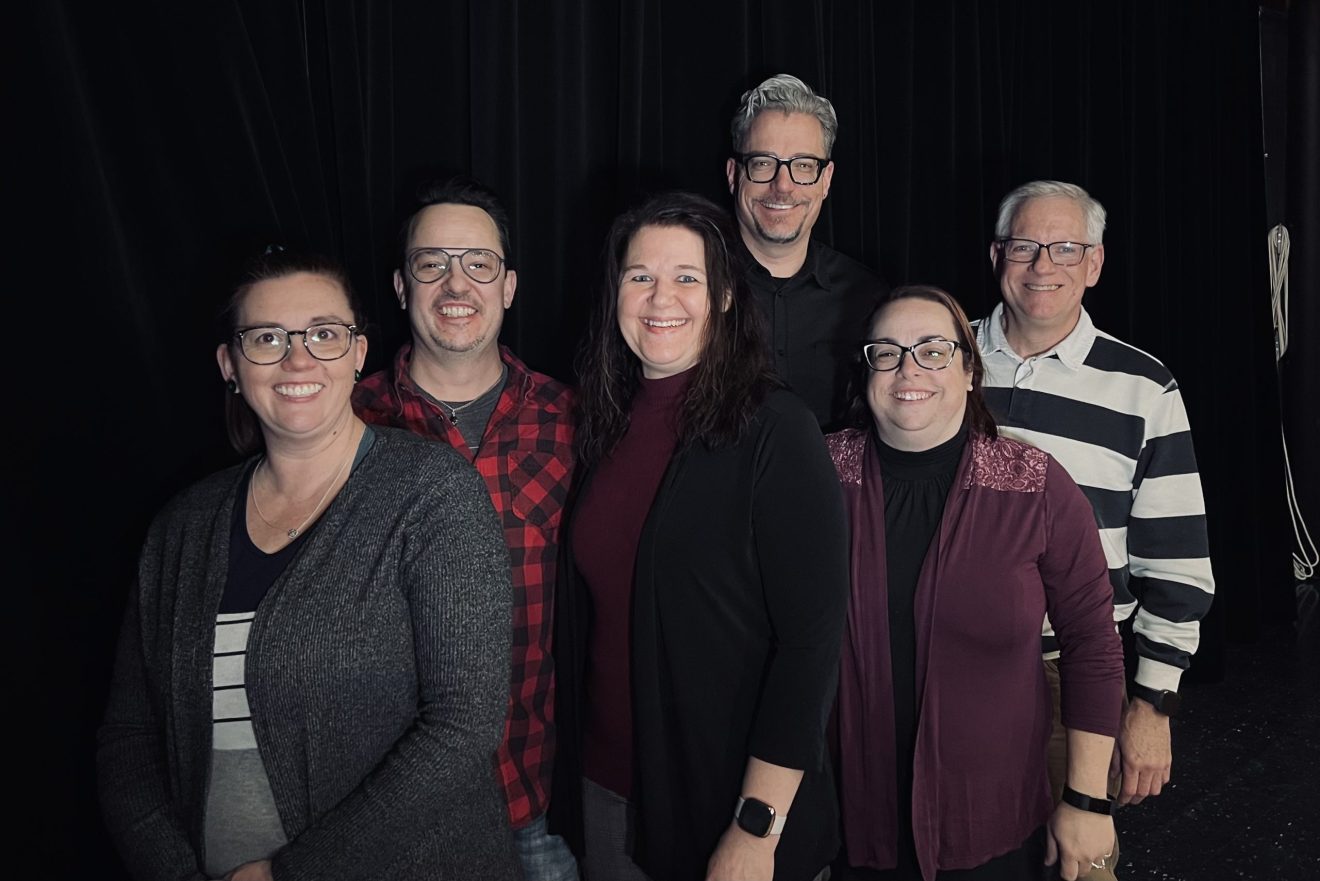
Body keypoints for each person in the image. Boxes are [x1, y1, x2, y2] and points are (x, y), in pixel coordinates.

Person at [97, 249, 519, 880]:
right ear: (230, 365)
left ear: (358, 353)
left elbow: (463, 725)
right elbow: (128, 738)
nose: (298, 359)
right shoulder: (181, 529)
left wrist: (292, 874)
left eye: (324, 334)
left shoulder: (433, 495)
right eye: (267, 338)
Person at [550, 192, 849, 881]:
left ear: (723, 296)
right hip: (607, 793)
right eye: (640, 276)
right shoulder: (604, 422)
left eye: (687, 277)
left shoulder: (776, 429)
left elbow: (810, 647)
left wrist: (756, 826)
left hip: (732, 810)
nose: (662, 298)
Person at [827, 286, 1124, 881]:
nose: (909, 368)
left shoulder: (1035, 486)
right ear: (866, 371)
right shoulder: (817, 476)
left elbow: (1092, 642)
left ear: (969, 371)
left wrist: (1086, 801)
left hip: (993, 828)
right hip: (846, 822)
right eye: (887, 352)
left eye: (933, 350)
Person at [976, 181, 1216, 879]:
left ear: (1095, 263)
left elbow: (1176, 559)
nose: (1042, 265)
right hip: (949, 665)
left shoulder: (1143, 387)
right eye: (1025, 246)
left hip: (1073, 675)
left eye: (1065, 248)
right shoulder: (940, 359)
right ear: (997, 255)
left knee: (1078, 863)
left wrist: (1153, 704)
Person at [354, 177, 578, 881]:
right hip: (385, 816)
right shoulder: (347, 424)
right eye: (432, 263)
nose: (457, 283)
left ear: (508, 286)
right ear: (401, 286)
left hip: (536, 799)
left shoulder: (573, 421)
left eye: (478, 263)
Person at [726, 73, 887, 430]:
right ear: (734, 175)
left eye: (803, 165)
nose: (783, 186)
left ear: (825, 180)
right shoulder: (689, 288)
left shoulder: (869, 298)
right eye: (763, 162)